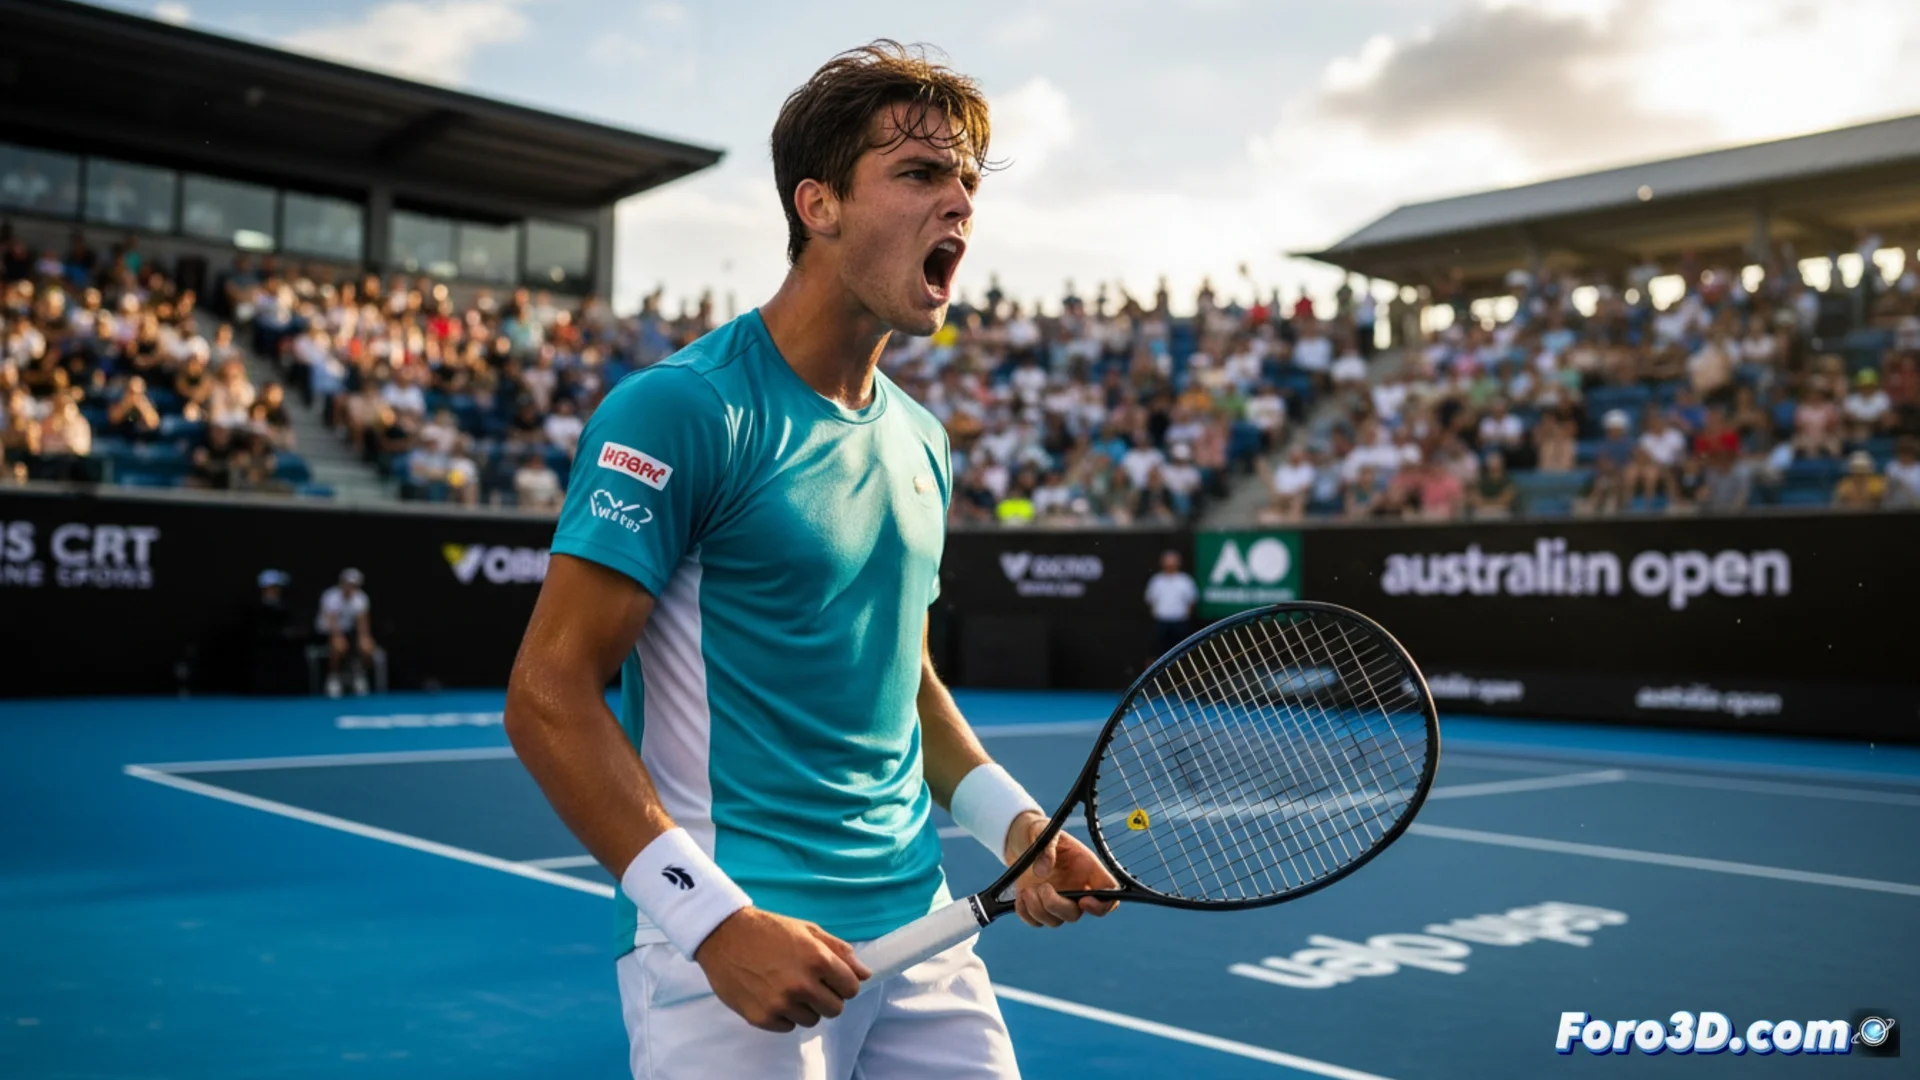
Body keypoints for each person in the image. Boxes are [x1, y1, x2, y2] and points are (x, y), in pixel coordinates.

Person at [503, 42, 1113, 1080]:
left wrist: (1016, 825)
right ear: (819, 205)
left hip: (926, 935)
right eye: (920, 174)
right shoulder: (681, 409)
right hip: (732, 949)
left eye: (967, 179)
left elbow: (905, 683)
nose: (958, 201)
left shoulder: (924, 439)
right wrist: (712, 923)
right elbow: (547, 693)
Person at [315, 567, 375, 698]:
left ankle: (359, 674)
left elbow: (362, 624)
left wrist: (364, 639)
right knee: (338, 646)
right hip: (326, 632)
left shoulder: (361, 598)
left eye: (353, 585)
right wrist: (337, 638)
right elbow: (332, 623)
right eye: (347, 584)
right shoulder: (330, 596)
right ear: (342, 583)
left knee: (367, 647)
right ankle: (333, 677)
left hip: (349, 632)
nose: (350, 587)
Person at [1143, 549, 1198, 663]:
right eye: (1168, 562)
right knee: (1158, 652)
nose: (1170, 565)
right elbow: (1150, 600)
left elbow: (1192, 601)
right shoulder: (1156, 581)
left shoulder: (1185, 580)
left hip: (1180, 623)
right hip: (1161, 623)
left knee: (1182, 654)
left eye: (1173, 562)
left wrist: (1185, 615)